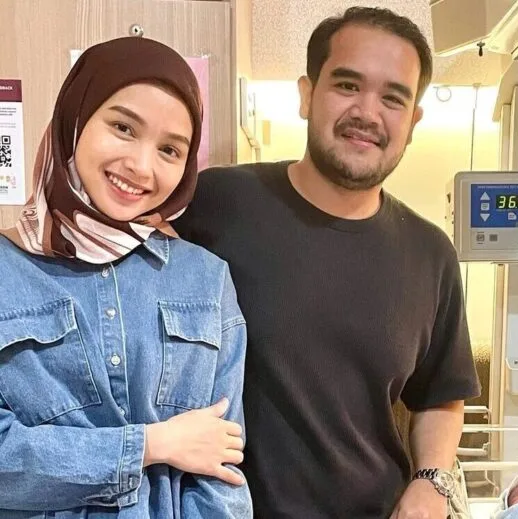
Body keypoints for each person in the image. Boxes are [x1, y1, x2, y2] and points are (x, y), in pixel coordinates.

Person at [173, 6, 480, 518]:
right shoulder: (215, 204)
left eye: (393, 98)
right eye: (347, 85)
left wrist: (431, 481)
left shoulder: (431, 254)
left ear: (412, 121)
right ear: (306, 94)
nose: (368, 113)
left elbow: (441, 396)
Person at [0, 37, 251, 517]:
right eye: (122, 127)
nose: (141, 166)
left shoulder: (204, 279)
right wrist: (150, 445)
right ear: (75, 117)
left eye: (170, 150)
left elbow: (221, 472)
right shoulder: (6, 271)